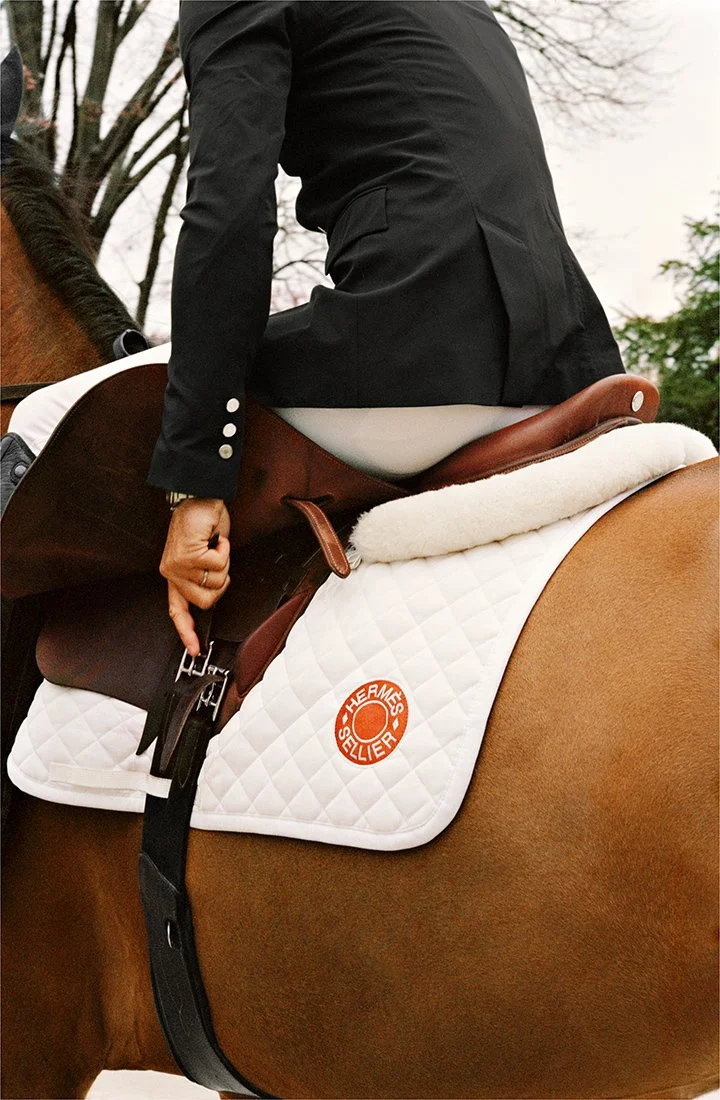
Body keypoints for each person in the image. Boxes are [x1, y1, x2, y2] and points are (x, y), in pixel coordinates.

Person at [144, 2, 626, 654]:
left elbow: (228, 212)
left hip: (417, 351)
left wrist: (196, 481)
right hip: (570, 355)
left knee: (111, 409)